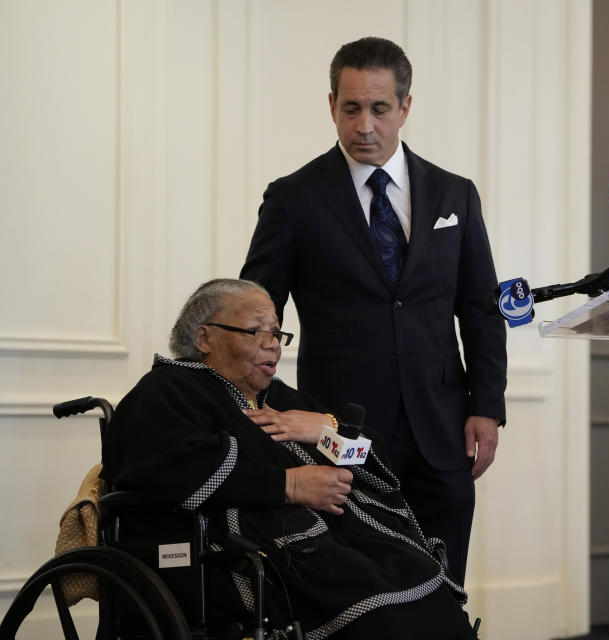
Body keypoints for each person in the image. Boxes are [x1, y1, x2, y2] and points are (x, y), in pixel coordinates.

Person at [239, 36, 507, 585]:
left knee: (444, 585)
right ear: (331, 104)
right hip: (340, 433)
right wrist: (249, 405)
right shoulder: (293, 198)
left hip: (442, 430)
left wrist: (488, 405)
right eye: (351, 108)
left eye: (380, 109)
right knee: (356, 592)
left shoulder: (455, 195)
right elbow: (256, 313)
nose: (365, 126)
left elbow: (480, 309)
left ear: (405, 107)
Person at [101, 279, 476, 639]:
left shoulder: (282, 397)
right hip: (243, 551)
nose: (273, 346)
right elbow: (171, 469)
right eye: (256, 331)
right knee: (377, 606)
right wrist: (292, 485)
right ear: (204, 338)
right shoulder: (168, 388)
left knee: (418, 577)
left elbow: (372, 461)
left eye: (276, 333)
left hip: (337, 540)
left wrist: (326, 428)